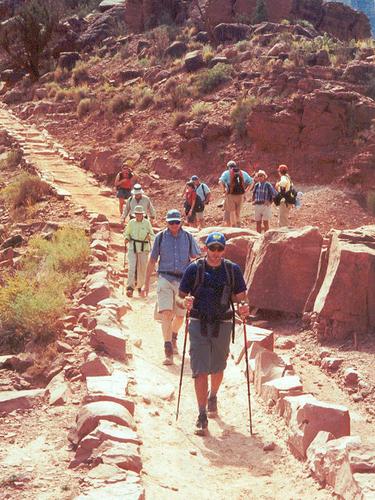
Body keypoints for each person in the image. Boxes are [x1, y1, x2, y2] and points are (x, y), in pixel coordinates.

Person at [178, 232, 249, 436]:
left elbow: (241, 298)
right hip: (198, 322)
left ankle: (213, 395)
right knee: (200, 369)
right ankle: (201, 415)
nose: (216, 253)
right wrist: (184, 303)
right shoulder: (194, 269)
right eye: (212, 248)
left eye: (220, 248)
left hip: (223, 323)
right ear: (206, 249)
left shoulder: (232, 270)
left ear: (224, 249)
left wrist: (244, 308)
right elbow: (179, 297)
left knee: (218, 367)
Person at [144, 209, 201, 365]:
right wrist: (146, 284)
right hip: (165, 278)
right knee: (167, 314)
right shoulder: (160, 237)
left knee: (181, 316)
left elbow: (196, 259)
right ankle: (167, 349)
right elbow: (152, 260)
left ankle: (174, 336)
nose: (174, 225)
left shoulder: (188, 237)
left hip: (183, 282)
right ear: (167, 222)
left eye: (177, 222)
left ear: (181, 222)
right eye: (171, 222)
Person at [124, 205, 155, 297]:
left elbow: (153, 235)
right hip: (132, 247)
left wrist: (150, 237)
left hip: (143, 247)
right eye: (137, 214)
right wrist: (126, 238)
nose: (138, 216)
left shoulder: (147, 223)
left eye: (140, 214)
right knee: (132, 267)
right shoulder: (131, 223)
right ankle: (130, 288)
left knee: (142, 268)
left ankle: (140, 286)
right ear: (135, 214)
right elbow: (126, 233)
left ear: (142, 214)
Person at [219, 160, 253, 227]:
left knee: (232, 211)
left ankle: (234, 226)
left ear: (228, 167)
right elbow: (251, 182)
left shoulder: (226, 173)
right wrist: (246, 191)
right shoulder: (242, 172)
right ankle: (238, 225)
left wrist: (224, 191)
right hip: (240, 195)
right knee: (238, 212)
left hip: (230, 194)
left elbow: (220, 182)